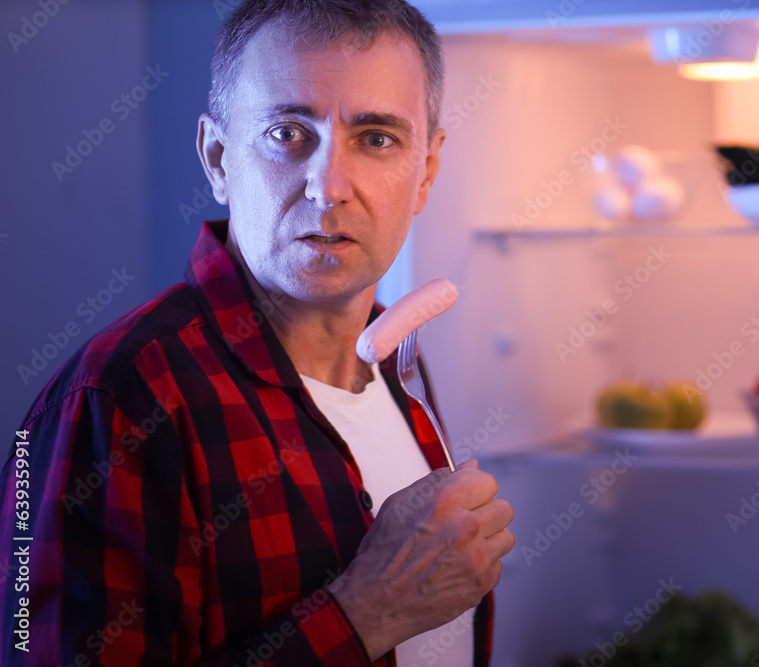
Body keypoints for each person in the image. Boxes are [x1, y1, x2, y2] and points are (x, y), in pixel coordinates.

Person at [0, 1, 515, 665]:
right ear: (217, 157)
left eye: (377, 138)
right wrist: (366, 611)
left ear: (427, 170)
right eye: (287, 134)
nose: (330, 188)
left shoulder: (396, 365)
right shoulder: (120, 397)